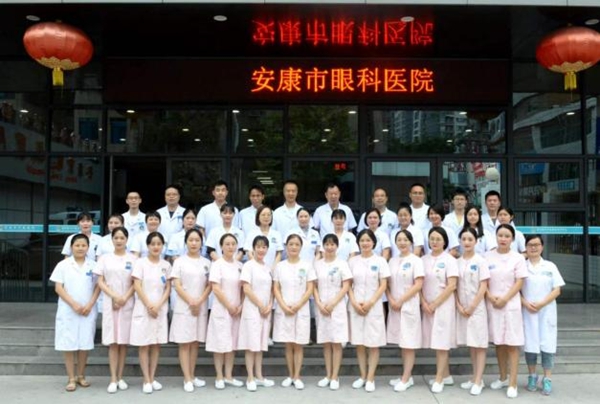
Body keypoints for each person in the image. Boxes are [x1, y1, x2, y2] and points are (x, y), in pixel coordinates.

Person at [50, 234, 100, 392]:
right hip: (68, 310)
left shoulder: (94, 265)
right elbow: (58, 288)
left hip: (88, 310)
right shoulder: (63, 265)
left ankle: (81, 376)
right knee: (69, 343)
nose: (80, 248)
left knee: (85, 343)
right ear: (71, 247)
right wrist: (74, 304)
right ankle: (71, 378)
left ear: (88, 248)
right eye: (77, 245)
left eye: (83, 245)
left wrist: (90, 305)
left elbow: (98, 287)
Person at [485, 224, 528, 399]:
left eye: (507, 236)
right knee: (499, 342)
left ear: (512, 239)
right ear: (495, 237)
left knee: (512, 343)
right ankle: (502, 378)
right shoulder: (487, 256)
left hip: (510, 305)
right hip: (493, 304)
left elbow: (519, 282)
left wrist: (505, 298)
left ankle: (513, 382)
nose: (503, 239)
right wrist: (490, 297)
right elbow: (483, 281)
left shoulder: (518, 258)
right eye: (500, 235)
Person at [169, 228, 212, 393]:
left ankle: (192, 376)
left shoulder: (207, 263)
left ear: (202, 243)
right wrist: (191, 301)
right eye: (191, 240)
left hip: (200, 306)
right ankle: (186, 378)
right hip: (184, 307)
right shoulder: (179, 262)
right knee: (185, 343)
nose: (194, 243)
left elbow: (209, 285)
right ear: (186, 242)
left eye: (197, 240)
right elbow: (177, 285)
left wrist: (199, 301)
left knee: (195, 342)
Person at [521, 234, 565, 396]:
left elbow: (557, 289)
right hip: (528, 311)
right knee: (530, 346)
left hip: (546, 311)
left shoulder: (550, 266)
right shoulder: (521, 266)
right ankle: (532, 376)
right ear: (525, 247)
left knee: (548, 345)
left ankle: (547, 378)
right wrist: (526, 304)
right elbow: (515, 290)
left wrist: (541, 304)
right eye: (530, 245)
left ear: (542, 247)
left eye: (537, 244)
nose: (533, 247)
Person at [95, 227, 136, 394]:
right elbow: (100, 281)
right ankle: (112, 378)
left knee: (123, 342)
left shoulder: (134, 259)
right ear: (111, 240)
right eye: (116, 238)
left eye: (122, 238)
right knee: (113, 342)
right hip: (110, 302)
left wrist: (124, 298)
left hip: (127, 302)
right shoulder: (104, 259)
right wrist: (114, 297)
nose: (119, 240)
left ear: (127, 240)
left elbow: (136, 283)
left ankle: (120, 377)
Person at [348, 229, 390, 393]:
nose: (365, 243)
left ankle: (371, 378)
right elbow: (348, 285)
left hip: (374, 306)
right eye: (362, 240)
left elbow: (383, 285)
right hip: (356, 305)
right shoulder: (352, 261)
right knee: (359, 343)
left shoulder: (380, 261)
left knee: (373, 343)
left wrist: (371, 302)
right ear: (358, 243)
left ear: (373, 242)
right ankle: (363, 376)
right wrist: (354, 303)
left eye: (368, 240)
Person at [130, 232, 171, 394]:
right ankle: (146, 379)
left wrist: (158, 306)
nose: (156, 247)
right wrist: (149, 305)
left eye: (159, 244)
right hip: (143, 308)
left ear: (162, 246)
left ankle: (152, 378)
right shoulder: (140, 263)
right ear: (147, 246)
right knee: (144, 344)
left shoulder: (166, 265)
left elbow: (168, 288)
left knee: (156, 344)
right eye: (152, 244)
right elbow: (137, 285)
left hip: (159, 309)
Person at [273, 234, 316, 390]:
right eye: (290, 244)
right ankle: (290, 375)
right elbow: (276, 288)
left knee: (298, 344)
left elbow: (310, 288)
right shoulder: (280, 266)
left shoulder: (307, 265)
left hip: (301, 308)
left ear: (301, 247)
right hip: (284, 309)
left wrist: (298, 305)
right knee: (288, 344)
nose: (293, 247)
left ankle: (297, 376)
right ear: (286, 246)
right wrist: (283, 305)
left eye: (297, 244)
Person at [421, 226, 458, 394]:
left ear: (445, 242)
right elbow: (418, 284)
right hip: (427, 306)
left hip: (443, 305)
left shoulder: (450, 260)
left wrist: (435, 304)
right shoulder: (423, 259)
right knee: (435, 341)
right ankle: (447, 375)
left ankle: (439, 379)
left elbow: (452, 285)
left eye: (438, 239)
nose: (434, 242)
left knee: (442, 343)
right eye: (432, 239)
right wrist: (424, 303)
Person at [386, 229, 424, 392]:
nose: (402, 242)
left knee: (409, 343)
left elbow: (418, 284)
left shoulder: (416, 260)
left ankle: (406, 378)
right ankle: (406, 375)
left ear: (411, 242)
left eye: (405, 240)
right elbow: (386, 284)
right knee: (402, 342)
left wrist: (400, 300)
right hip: (395, 306)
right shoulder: (392, 261)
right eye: (399, 240)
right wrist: (391, 299)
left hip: (409, 305)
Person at [313, 234, 352, 391]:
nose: (329, 247)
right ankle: (327, 375)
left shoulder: (342, 263)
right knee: (326, 342)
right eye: (327, 244)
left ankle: (335, 376)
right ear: (323, 246)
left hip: (337, 306)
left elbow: (346, 285)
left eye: (332, 244)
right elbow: (313, 286)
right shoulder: (317, 265)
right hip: (321, 306)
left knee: (336, 342)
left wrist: (334, 303)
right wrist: (319, 303)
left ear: (337, 246)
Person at [205, 234, 244, 390]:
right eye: (227, 244)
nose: (230, 247)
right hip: (222, 309)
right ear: (221, 246)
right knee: (220, 343)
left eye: (233, 243)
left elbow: (243, 288)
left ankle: (229, 376)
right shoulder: (217, 264)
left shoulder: (240, 265)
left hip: (236, 310)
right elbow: (216, 288)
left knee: (232, 344)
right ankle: (219, 376)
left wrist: (240, 305)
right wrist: (229, 306)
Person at [238, 235, 275, 392]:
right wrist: (260, 305)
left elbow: (272, 290)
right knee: (251, 345)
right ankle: (250, 377)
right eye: (258, 247)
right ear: (253, 249)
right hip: (253, 310)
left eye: (264, 247)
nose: (261, 250)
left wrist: (269, 305)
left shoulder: (267, 267)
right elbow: (246, 289)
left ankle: (259, 376)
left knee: (260, 344)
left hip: (265, 311)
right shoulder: (248, 266)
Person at [456, 228, 490, 396]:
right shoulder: (457, 262)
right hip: (462, 308)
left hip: (477, 309)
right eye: (464, 239)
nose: (467, 242)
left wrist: (472, 306)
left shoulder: (481, 261)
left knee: (480, 344)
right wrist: (459, 306)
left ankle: (478, 380)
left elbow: (483, 286)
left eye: (470, 239)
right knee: (471, 343)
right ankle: (475, 377)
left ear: (476, 241)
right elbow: (454, 286)